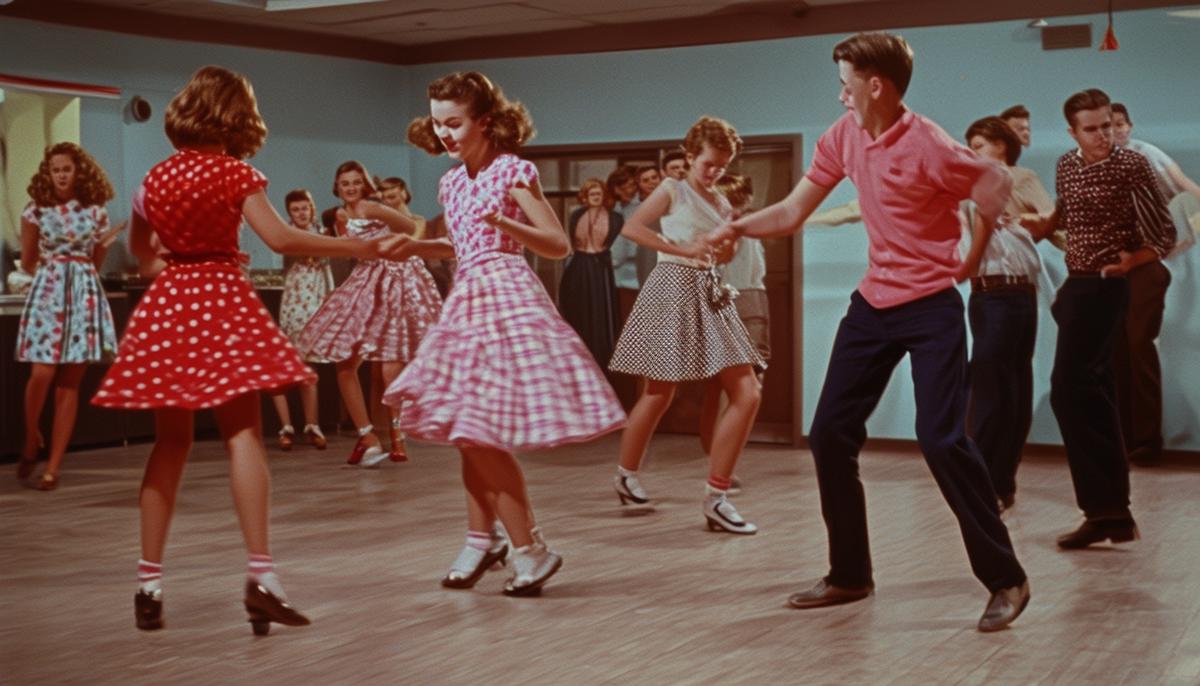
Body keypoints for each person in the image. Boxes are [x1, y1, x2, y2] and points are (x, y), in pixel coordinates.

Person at [706, 32, 1029, 632]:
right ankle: (850, 574)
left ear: (874, 85)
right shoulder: (844, 135)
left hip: (931, 306)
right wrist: (741, 228)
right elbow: (794, 211)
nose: (840, 95)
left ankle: (1006, 577)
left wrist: (969, 255)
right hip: (873, 304)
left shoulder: (931, 144)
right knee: (829, 434)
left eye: (845, 83)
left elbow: (996, 185)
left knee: (940, 439)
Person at [92, 65, 403, 634]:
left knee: (169, 442)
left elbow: (142, 251)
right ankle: (261, 577)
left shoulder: (152, 179)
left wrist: (172, 264)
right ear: (235, 117)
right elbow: (281, 239)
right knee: (242, 434)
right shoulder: (237, 174)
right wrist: (358, 246)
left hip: (168, 305)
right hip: (221, 300)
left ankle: (149, 584)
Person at [385, 71, 625, 596]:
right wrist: (416, 248)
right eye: (437, 123)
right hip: (468, 298)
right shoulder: (450, 181)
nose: (445, 133)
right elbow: (462, 245)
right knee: (467, 429)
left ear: (484, 121)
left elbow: (557, 244)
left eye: (455, 123)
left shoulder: (513, 170)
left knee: (480, 431)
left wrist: (507, 223)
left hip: (507, 296)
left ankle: (529, 548)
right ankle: (484, 539)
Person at [1025, 89, 1175, 548]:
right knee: (1092, 393)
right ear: (1072, 132)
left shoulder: (1131, 165)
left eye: (1107, 125)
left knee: (1072, 391)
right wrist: (1044, 225)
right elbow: (1068, 214)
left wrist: (1131, 264)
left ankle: (1107, 510)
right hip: (1078, 283)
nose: (1103, 135)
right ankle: (1111, 514)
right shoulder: (1067, 165)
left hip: (1109, 285)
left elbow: (1165, 233)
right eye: (1091, 128)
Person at [608, 116, 764, 534]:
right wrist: (681, 247)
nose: (715, 172)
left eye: (722, 165)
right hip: (671, 284)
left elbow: (723, 256)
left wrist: (726, 243)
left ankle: (717, 496)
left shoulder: (721, 202)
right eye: (709, 163)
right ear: (691, 156)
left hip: (709, 289)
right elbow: (633, 228)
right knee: (659, 392)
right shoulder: (671, 189)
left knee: (747, 390)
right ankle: (626, 473)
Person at [297, 161, 441, 467]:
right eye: (344, 183)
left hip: (395, 277)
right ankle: (367, 436)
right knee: (345, 362)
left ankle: (397, 434)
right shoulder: (338, 215)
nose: (350, 188)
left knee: (391, 364)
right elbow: (350, 248)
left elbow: (406, 227)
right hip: (365, 279)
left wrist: (385, 247)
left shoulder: (373, 208)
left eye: (355, 182)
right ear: (337, 186)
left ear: (363, 185)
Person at [960, 116, 1056, 512]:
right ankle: (990, 483)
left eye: (979, 144)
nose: (973, 152)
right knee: (993, 389)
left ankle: (997, 483)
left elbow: (1050, 218)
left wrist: (1020, 221)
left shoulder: (1020, 175)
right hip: (987, 293)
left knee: (1009, 390)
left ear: (1002, 144)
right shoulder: (971, 183)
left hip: (1014, 292)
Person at [16, 142, 122, 490]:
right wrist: (54, 270)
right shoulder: (36, 210)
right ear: (48, 173)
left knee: (69, 384)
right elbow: (28, 260)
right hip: (48, 291)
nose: (61, 175)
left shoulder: (96, 212)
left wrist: (86, 263)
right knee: (41, 374)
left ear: (79, 172)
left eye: (66, 169)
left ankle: (53, 467)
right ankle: (32, 437)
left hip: (83, 293)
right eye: (55, 169)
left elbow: (95, 263)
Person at [1110, 102, 1200, 462]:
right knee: (1115, 351)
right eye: (1106, 125)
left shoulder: (1147, 154)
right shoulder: (1096, 163)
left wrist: (1184, 239)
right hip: (1113, 268)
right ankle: (1124, 439)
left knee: (1138, 345)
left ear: (1129, 126)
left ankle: (1146, 441)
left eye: (1119, 124)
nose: (1113, 131)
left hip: (1146, 265)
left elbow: (1189, 190)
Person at [698, 173, 767, 493]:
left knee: (752, 382)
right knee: (734, 386)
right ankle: (720, 467)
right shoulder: (714, 230)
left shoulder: (753, 224)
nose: (737, 207)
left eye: (741, 200)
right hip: (726, 299)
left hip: (754, 298)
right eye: (730, 201)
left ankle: (723, 463)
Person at [269, 189, 333, 452]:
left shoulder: (323, 234)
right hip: (293, 305)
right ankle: (286, 426)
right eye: (296, 210)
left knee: (309, 370)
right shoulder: (285, 235)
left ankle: (312, 425)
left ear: (312, 208)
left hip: (315, 303)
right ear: (289, 213)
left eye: (305, 208)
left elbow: (327, 267)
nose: (301, 213)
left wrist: (331, 299)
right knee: (284, 367)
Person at [558, 177, 624, 366]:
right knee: (578, 308)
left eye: (599, 193)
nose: (596, 197)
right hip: (579, 265)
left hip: (601, 266)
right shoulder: (576, 215)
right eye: (591, 194)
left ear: (604, 196)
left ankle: (604, 358)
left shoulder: (615, 217)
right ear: (585, 197)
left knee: (602, 311)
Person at [633, 164, 663, 286]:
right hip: (649, 253)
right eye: (646, 180)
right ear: (639, 185)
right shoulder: (638, 207)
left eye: (654, 177)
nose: (651, 182)